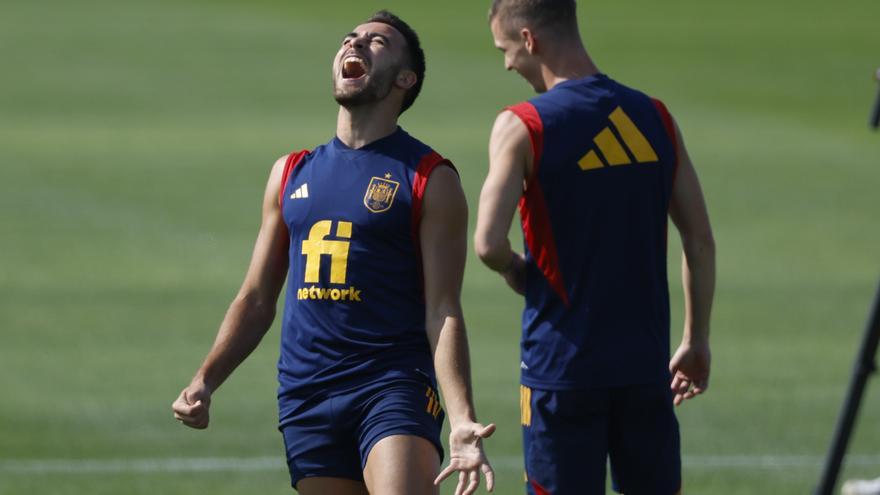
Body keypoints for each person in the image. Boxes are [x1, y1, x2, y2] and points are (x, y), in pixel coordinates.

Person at [172, 10, 494, 495]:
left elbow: (443, 308)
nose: (356, 43)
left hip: (391, 385)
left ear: (405, 79)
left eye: (377, 41)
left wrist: (463, 418)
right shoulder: (290, 173)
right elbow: (257, 298)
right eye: (350, 38)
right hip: (307, 394)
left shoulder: (430, 177)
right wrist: (205, 379)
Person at [474, 1, 716, 494]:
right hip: (644, 368)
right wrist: (695, 339)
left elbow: (487, 243)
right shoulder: (655, 117)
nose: (505, 65)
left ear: (529, 39)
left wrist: (516, 271)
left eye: (505, 49)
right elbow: (699, 238)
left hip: (560, 371)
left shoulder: (523, 125)